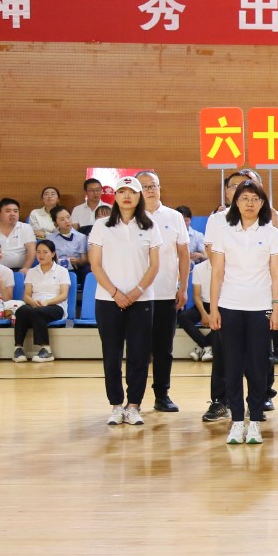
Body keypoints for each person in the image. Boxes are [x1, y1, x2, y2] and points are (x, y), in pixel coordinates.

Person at [207, 179, 278, 445]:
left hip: (261, 308)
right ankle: (237, 421)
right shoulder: (224, 232)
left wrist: (276, 308)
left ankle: (256, 422)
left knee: (258, 367)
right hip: (230, 306)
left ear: (263, 203)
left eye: (255, 198)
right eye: (244, 198)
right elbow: (217, 273)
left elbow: (277, 274)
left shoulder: (271, 233)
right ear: (235, 202)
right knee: (232, 365)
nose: (249, 203)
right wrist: (214, 308)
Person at [88, 177, 162, 426]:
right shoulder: (101, 225)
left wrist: (136, 291)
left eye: (132, 191)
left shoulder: (150, 226)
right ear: (115, 196)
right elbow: (95, 264)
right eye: (122, 191)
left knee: (139, 355)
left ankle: (134, 406)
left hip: (141, 300)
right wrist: (115, 293)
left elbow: (154, 265)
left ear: (140, 196)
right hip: (108, 300)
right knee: (112, 354)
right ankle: (116, 405)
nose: (127, 196)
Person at [136, 171, 190, 414]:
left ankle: (162, 395)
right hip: (137, 295)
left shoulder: (174, 216)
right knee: (137, 349)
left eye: (153, 185)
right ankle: (134, 398)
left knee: (163, 349)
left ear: (160, 188)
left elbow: (184, 255)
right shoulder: (131, 217)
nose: (150, 190)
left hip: (166, 293)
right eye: (144, 186)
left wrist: (183, 287)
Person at [12, 239, 70, 363]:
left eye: (45, 252)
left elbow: (64, 295)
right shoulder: (32, 272)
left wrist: (47, 302)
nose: (41, 255)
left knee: (37, 312)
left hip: (55, 306)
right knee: (21, 310)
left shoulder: (62, 271)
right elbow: (26, 295)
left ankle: (46, 349)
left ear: (53, 254)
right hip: (36, 304)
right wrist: (33, 302)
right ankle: (18, 348)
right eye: (38, 252)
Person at [0, 198, 36, 273]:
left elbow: (31, 250)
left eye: (15, 211)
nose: (12, 214)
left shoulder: (26, 228)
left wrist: (26, 268)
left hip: (20, 270)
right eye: (8, 211)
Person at [179, 259, 215, 361]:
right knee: (183, 317)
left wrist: (213, 312)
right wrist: (204, 314)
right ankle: (207, 346)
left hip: (220, 304)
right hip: (203, 304)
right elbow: (197, 296)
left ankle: (201, 347)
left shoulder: (226, 267)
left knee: (226, 318)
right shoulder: (199, 268)